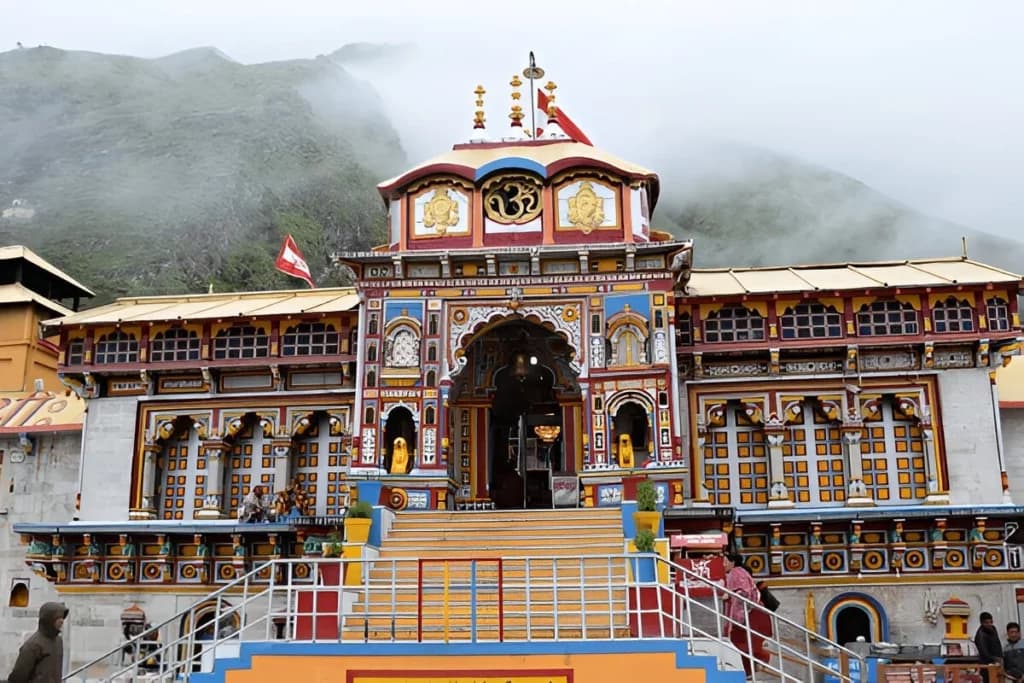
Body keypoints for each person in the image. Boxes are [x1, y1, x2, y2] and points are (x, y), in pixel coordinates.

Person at [722, 552, 772, 679]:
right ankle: (749, 670)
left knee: (741, 644)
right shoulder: (740, 572)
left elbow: (743, 593)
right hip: (751, 615)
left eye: (725, 561)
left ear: (732, 562)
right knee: (746, 645)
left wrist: (738, 617)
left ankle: (752, 666)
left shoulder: (736, 573)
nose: (723, 564)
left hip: (746, 616)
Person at [8, 601, 69, 683]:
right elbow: (18, 676)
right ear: (48, 619)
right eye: (58, 617)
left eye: (62, 617)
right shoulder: (33, 645)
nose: (61, 621)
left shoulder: (58, 641)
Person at [973, 611, 1003, 683]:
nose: (989, 624)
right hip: (987, 664)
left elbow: (998, 643)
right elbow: (984, 653)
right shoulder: (980, 635)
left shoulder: (993, 628)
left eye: (991, 622)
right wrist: (996, 660)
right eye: (987, 623)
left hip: (997, 661)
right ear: (982, 623)